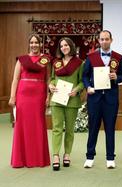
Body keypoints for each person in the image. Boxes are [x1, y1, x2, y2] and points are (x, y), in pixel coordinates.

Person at [82, 30, 122, 169]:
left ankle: (110, 158)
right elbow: (84, 76)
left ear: (111, 40)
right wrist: (88, 86)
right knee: (93, 128)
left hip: (110, 98)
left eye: (107, 39)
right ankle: (89, 157)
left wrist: (116, 78)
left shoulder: (118, 58)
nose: (104, 41)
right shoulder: (91, 57)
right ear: (98, 41)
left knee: (110, 128)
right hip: (94, 98)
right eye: (102, 39)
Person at [8, 33, 50, 168]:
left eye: (36, 42)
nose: (34, 45)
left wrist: (48, 96)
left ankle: (37, 159)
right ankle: (20, 160)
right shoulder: (22, 60)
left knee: (37, 124)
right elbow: (15, 79)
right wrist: (12, 96)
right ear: (29, 44)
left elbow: (48, 79)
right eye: (31, 43)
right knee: (22, 125)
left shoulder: (45, 59)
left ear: (40, 44)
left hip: (39, 95)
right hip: (23, 95)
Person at [49, 37, 84, 171]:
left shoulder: (80, 63)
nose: (64, 47)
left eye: (66, 45)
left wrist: (77, 89)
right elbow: (52, 78)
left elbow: (81, 81)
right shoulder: (56, 62)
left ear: (71, 46)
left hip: (72, 100)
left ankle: (67, 154)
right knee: (57, 128)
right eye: (62, 45)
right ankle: (56, 155)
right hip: (57, 99)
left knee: (69, 130)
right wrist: (50, 85)